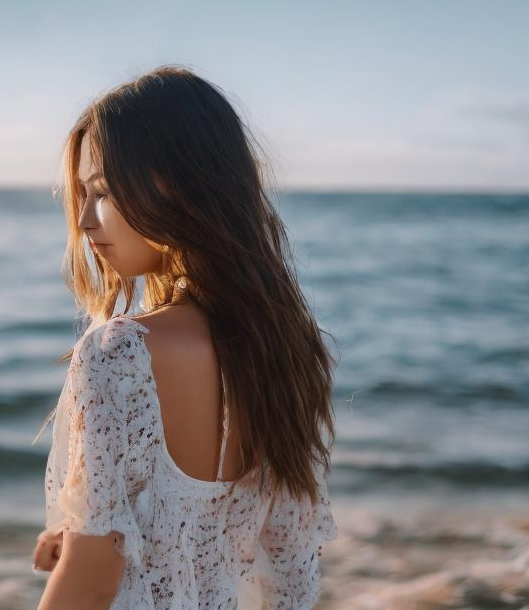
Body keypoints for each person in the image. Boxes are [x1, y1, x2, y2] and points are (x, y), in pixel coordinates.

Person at [32, 64, 339, 609]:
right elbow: (291, 572)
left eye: (100, 191)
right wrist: (86, 529)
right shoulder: (287, 352)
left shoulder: (120, 353)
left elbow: (94, 571)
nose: (82, 220)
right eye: (81, 194)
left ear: (174, 183)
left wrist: (88, 543)